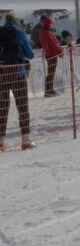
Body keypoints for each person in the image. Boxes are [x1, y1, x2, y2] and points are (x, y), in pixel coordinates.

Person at [0, 12, 35, 150]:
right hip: (18, 74)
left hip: (2, 74)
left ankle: (1, 142)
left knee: (2, 108)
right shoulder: (19, 33)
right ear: (16, 21)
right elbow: (30, 54)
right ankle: (25, 140)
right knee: (22, 107)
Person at [39, 15, 63, 97]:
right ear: (48, 24)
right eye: (50, 24)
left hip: (49, 54)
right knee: (51, 73)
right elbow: (53, 44)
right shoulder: (47, 33)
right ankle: (49, 90)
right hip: (52, 54)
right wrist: (60, 51)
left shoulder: (43, 32)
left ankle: (49, 90)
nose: (51, 25)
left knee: (51, 72)